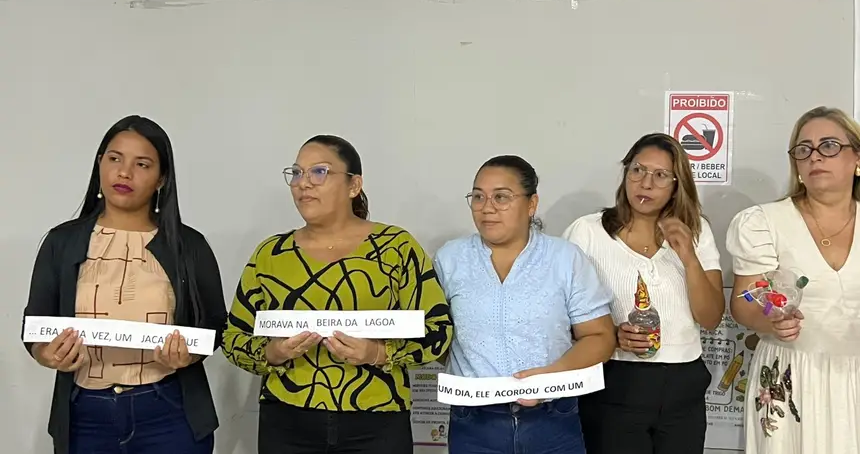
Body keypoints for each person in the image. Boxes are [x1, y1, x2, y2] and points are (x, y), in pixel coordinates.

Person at [222, 135, 453, 454]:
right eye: (296, 173)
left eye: (319, 172)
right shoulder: (270, 254)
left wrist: (378, 354)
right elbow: (233, 337)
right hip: (287, 421)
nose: (303, 183)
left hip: (378, 422)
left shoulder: (396, 248)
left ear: (354, 185)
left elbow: (438, 332)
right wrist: (273, 353)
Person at [21, 115, 227, 454]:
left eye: (142, 164)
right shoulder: (61, 242)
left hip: (170, 414)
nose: (124, 173)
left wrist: (190, 354)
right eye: (115, 158)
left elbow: (217, 324)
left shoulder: (189, 245)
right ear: (100, 163)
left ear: (162, 178)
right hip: (84, 416)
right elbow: (34, 324)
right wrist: (46, 354)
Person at [434, 155, 616, 454]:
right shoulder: (450, 259)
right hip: (474, 424)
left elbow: (600, 336)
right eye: (478, 197)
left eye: (501, 197)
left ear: (532, 204)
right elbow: (437, 335)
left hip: (552, 420)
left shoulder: (564, 258)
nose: (487, 207)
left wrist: (552, 375)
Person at [562, 133, 723, 454]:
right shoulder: (588, 232)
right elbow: (559, 314)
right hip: (614, 380)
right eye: (638, 170)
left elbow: (710, 318)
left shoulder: (697, 231)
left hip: (683, 384)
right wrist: (610, 335)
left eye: (660, 175)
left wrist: (689, 257)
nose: (646, 183)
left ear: (677, 185)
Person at [726, 106, 860, 454]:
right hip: (790, 375)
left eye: (829, 145)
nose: (815, 156)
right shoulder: (764, 222)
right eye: (804, 149)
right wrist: (770, 322)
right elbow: (744, 301)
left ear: (856, 158)